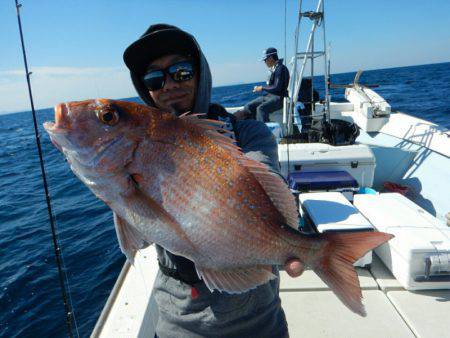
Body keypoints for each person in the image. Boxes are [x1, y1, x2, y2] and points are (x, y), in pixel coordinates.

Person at [123, 24, 303, 337]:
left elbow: (266, 181)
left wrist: (294, 244)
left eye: (181, 71)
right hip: (179, 323)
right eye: (154, 78)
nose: (168, 85)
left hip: (259, 320)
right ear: (145, 89)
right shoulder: (139, 152)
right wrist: (117, 187)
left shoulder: (250, 134)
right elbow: (139, 239)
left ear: (200, 73)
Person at [236, 47, 290, 122]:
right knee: (248, 106)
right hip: (269, 96)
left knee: (261, 109)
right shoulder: (274, 69)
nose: (265, 62)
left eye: (265, 60)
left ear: (271, 58)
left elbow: (277, 87)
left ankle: (263, 131)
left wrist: (262, 88)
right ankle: (252, 127)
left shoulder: (280, 69)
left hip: (279, 98)